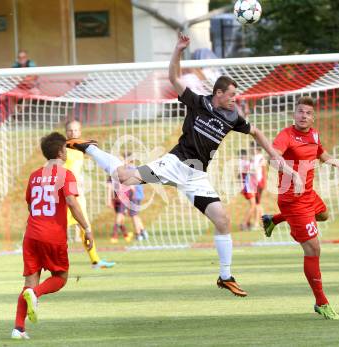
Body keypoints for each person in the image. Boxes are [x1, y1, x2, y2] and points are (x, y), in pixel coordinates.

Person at [66, 33, 303, 297]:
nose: (235, 99)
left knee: (222, 220)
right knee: (124, 177)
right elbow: (174, 78)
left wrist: (275, 156)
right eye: (231, 94)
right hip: (176, 163)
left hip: (196, 176)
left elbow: (256, 132)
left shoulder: (233, 117)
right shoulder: (198, 102)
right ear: (219, 93)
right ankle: (89, 147)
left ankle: (226, 277)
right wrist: (178, 49)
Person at [262, 96, 339, 319]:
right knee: (313, 249)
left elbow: (320, 153)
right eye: (300, 112)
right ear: (294, 114)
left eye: (307, 113)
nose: (303, 116)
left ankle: (274, 219)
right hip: (292, 199)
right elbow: (273, 157)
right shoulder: (286, 135)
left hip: (309, 195)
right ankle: (322, 302)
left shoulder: (314, 134)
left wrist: (335, 161)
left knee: (324, 215)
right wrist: (292, 174)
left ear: (312, 117)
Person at [11, 132, 94, 340]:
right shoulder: (65, 174)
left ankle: (18, 329)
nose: (66, 152)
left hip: (31, 235)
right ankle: (36, 294)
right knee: (61, 277)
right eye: (65, 149)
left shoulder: (34, 175)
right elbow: (72, 203)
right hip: (52, 235)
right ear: (60, 152)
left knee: (29, 283)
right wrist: (86, 228)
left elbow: (31, 205)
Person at [65, 120, 115, 269]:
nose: (73, 133)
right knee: (59, 230)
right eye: (70, 131)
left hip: (78, 195)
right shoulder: (62, 149)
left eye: (76, 130)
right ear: (65, 132)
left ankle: (95, 261)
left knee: (85, 228)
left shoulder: (80, 148)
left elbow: (94, 146)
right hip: (65, 194)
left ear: (80, 132)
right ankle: (48, 260)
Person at [107, 161, 148, 243]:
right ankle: (137, 233)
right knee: (127, 215)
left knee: (130, 215)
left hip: (126, 197)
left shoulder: (128, 172)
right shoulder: (119, 173)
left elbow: (132, 187)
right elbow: (110, 187)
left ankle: (137, 234)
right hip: (123, 198)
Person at [238, 149, 257, 231]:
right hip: (247, 187)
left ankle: (247, 223)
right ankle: (244, 223)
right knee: (253, 205)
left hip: (247, 186)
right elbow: (249, 171)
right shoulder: (243, 163)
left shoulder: (241, 162)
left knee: (252, 205)